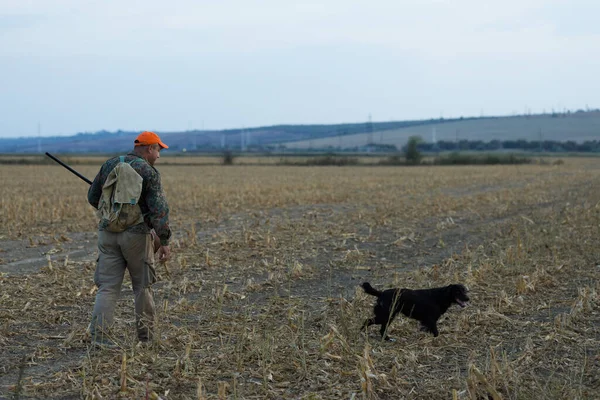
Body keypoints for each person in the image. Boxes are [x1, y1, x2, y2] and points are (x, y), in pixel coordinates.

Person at [87, 131, 172, 348]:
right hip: (136, 236)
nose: (159, 156)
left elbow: (93, 197)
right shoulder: (149, 172)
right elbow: (159, 210)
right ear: (148, 148)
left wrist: (114, 209)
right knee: (142, 287)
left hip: (107, 235)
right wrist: (164, 240)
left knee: (107, 287)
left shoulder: (110, 164)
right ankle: (146, 339)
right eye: (158, 150)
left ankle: (99, 338)